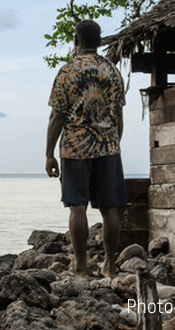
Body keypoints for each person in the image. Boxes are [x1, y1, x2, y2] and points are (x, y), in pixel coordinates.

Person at [45, 19, 127, 278]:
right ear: (99, 41)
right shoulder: (112, 71)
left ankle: (81, 267)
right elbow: (118, 116)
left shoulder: (67, 72)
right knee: (110, 208)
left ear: (76, 41)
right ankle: (110, 266)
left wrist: (48, 154)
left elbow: (57, 117)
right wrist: (113, 144)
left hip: (76, 148)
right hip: (108, 146)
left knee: (77, 208)